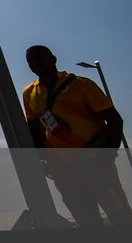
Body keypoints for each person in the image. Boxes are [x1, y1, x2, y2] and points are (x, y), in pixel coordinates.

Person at [22, 45, 132, 228]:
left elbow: (114, 121)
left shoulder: (81, 84)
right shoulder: (29, 93)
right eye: (30, 61)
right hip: (64, 169)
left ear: (53, 59)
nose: (34, 64)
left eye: (38, 58)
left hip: (96, 163)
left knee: (119, 214)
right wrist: (43, 159)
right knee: (86, 219)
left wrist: (108, 155)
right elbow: (34, 131)